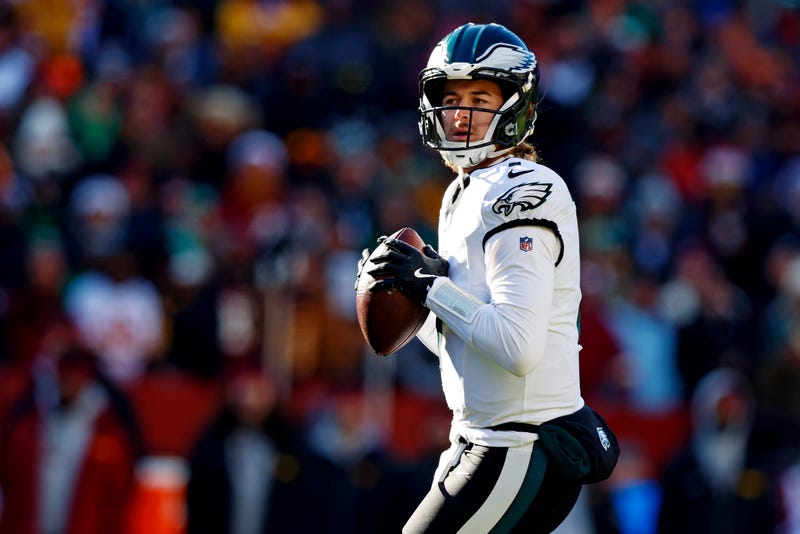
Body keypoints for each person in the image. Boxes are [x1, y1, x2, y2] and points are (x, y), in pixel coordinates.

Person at [358, 22, 615, 533]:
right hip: (484, 441)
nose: (461, 112)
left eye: (480, 97)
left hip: (520, 444)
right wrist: (406, 293)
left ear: (516, 105)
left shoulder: (522, 186)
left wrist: (430, 288)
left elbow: (516, 347)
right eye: (452, 98)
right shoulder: (464, 191)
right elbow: (466, 343)